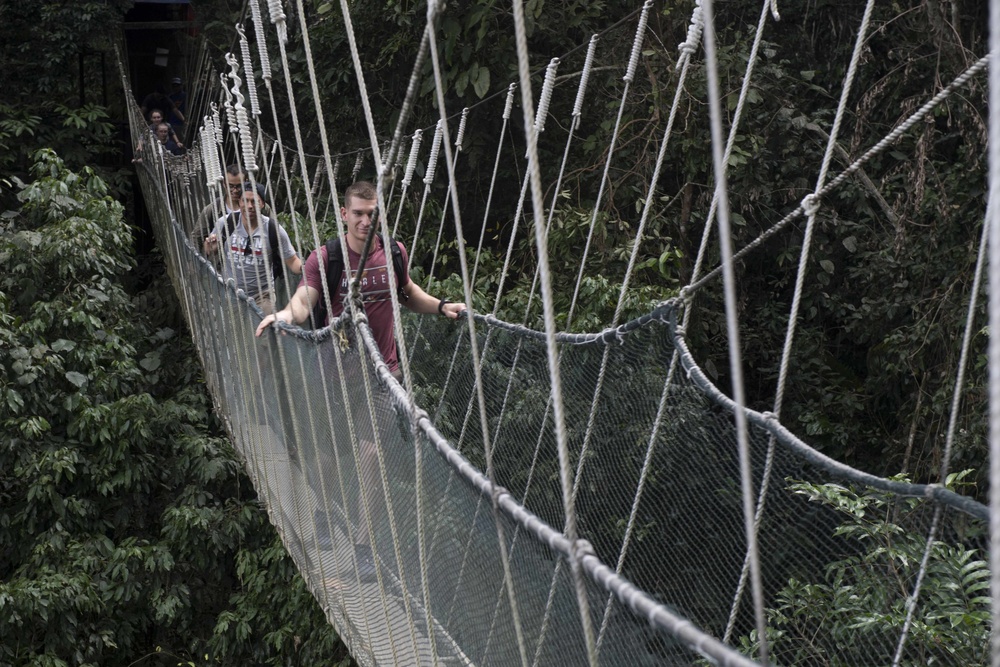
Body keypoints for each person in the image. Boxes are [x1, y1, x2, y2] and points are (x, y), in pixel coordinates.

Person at [254, 180, 465, 580]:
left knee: (370, 455)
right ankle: (321, 510)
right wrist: (282, 316)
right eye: (359, 214)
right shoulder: (326, 257)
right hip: (334, 375)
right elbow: (304, 301)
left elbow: (406, 293)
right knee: (327, 458)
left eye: (372, 214)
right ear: (344, 214)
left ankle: (364, 548)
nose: (366, 221)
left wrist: (440, 306)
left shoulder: (394, 253)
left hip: (383, 375)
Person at [205, 183, 302, 314]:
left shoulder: (273, 229)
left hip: (262, 296)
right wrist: (210, 247)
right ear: (239, 202)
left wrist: (309, 267)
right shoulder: (226, 223)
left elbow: (292, 261)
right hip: (230, 293)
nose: (249, 206)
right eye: (245, 200)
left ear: (262, 204)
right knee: (235, 333)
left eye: (254, 201)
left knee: (265, 331)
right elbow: (209, 250)